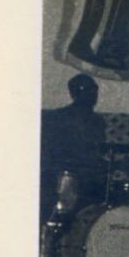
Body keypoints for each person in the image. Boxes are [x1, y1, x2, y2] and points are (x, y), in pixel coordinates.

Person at [41, 73, 109, 215]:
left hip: (88, 178)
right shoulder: (57, 117)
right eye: (84, 89)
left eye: (93, 89)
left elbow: (97, 152)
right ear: (73, 93)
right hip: (63, 179)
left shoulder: (98, 122)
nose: (91, 94)